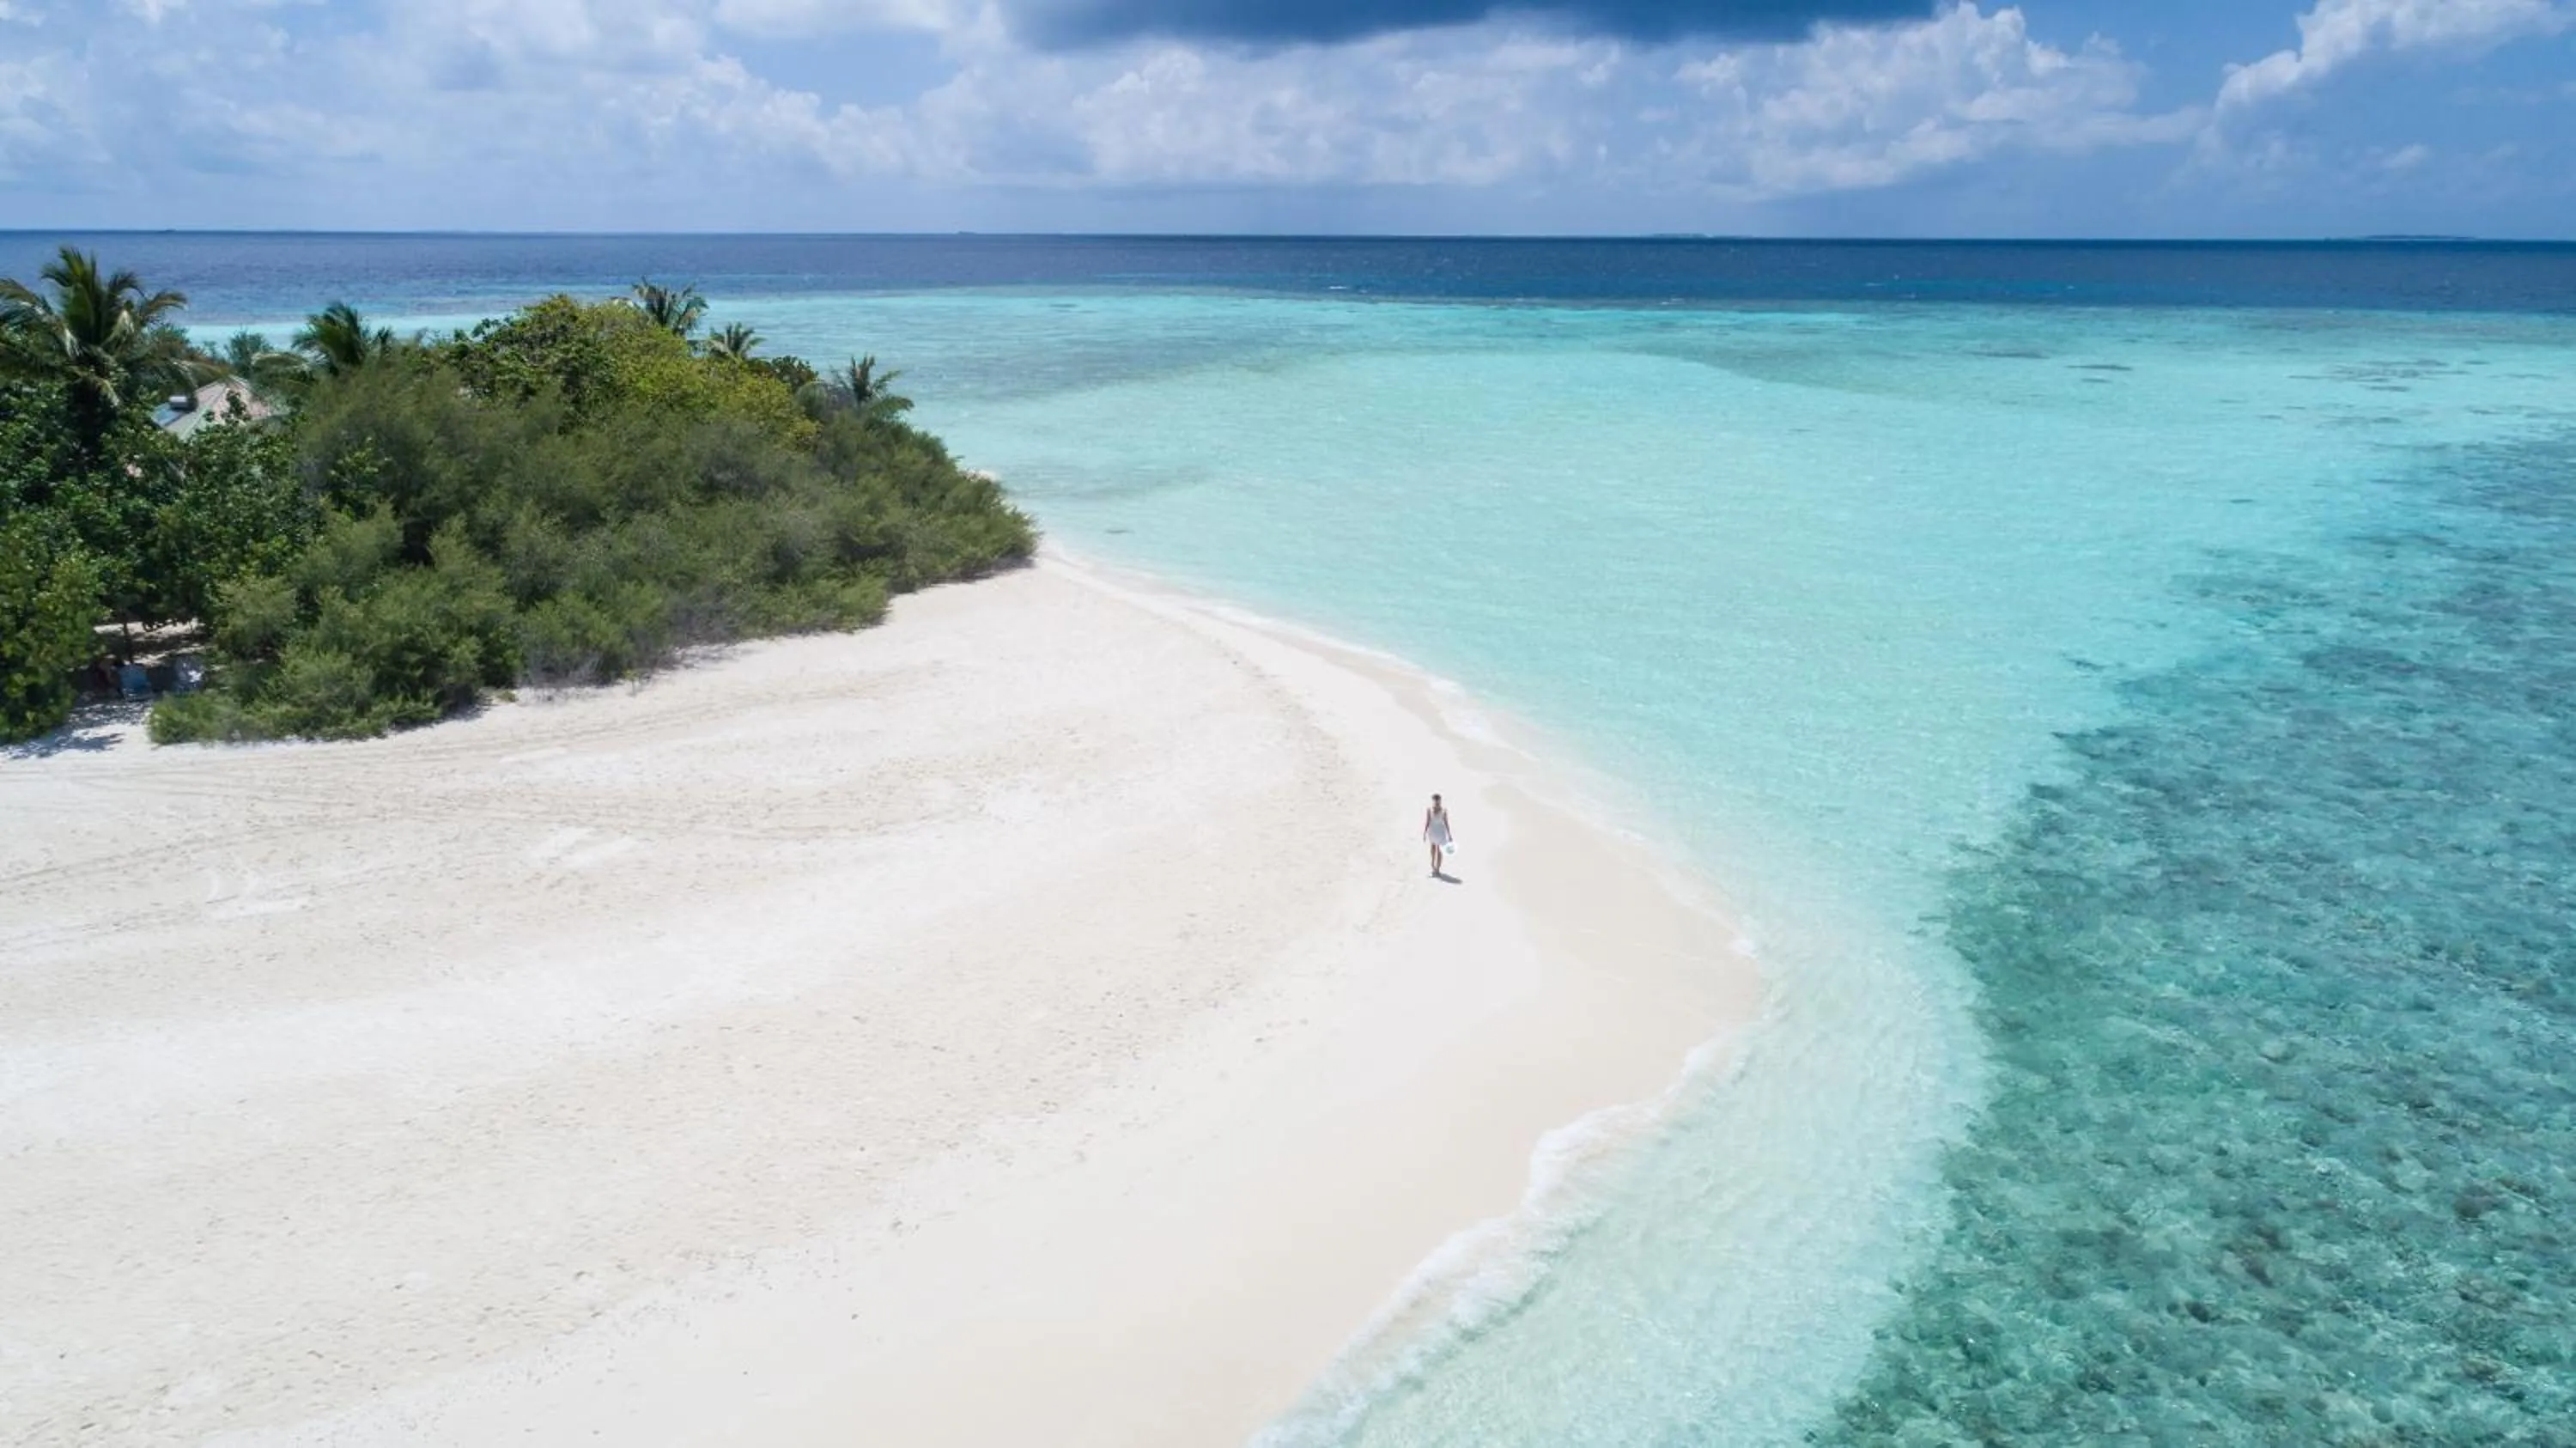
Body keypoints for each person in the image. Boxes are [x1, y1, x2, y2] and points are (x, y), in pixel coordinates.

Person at [1423, 793, 1453, 876]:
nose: (1437, 803)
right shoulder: (1429, 810)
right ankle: (1432, 863)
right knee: (1433, 848)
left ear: (1440, 801)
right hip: (1432, 831)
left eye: (1438, 802)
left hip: (1441, 831)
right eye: (1435, 802)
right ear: (1433, 801)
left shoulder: (1444, 811)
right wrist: (1425, 832)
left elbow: (1446, 823)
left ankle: (1438, 869)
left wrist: (1449, 835)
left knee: (1440, 850)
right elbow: (1427, 821)